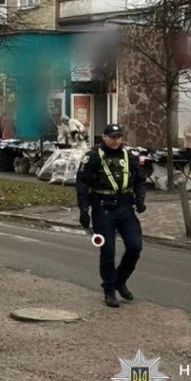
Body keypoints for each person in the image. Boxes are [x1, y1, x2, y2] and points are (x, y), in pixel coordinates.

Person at [75, 122, 147, 309]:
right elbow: (82, 183)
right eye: (112, 137)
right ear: (104, 137)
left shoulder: (129, 156)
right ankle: (109, 290)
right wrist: (84, 210)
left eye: (119, 137)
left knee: (135, 247)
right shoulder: (93, 156)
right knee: (108, 251)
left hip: (125, 208)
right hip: (103, 209)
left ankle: (120, 280)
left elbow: (140, 179)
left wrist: (140, 199)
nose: (116, 141)